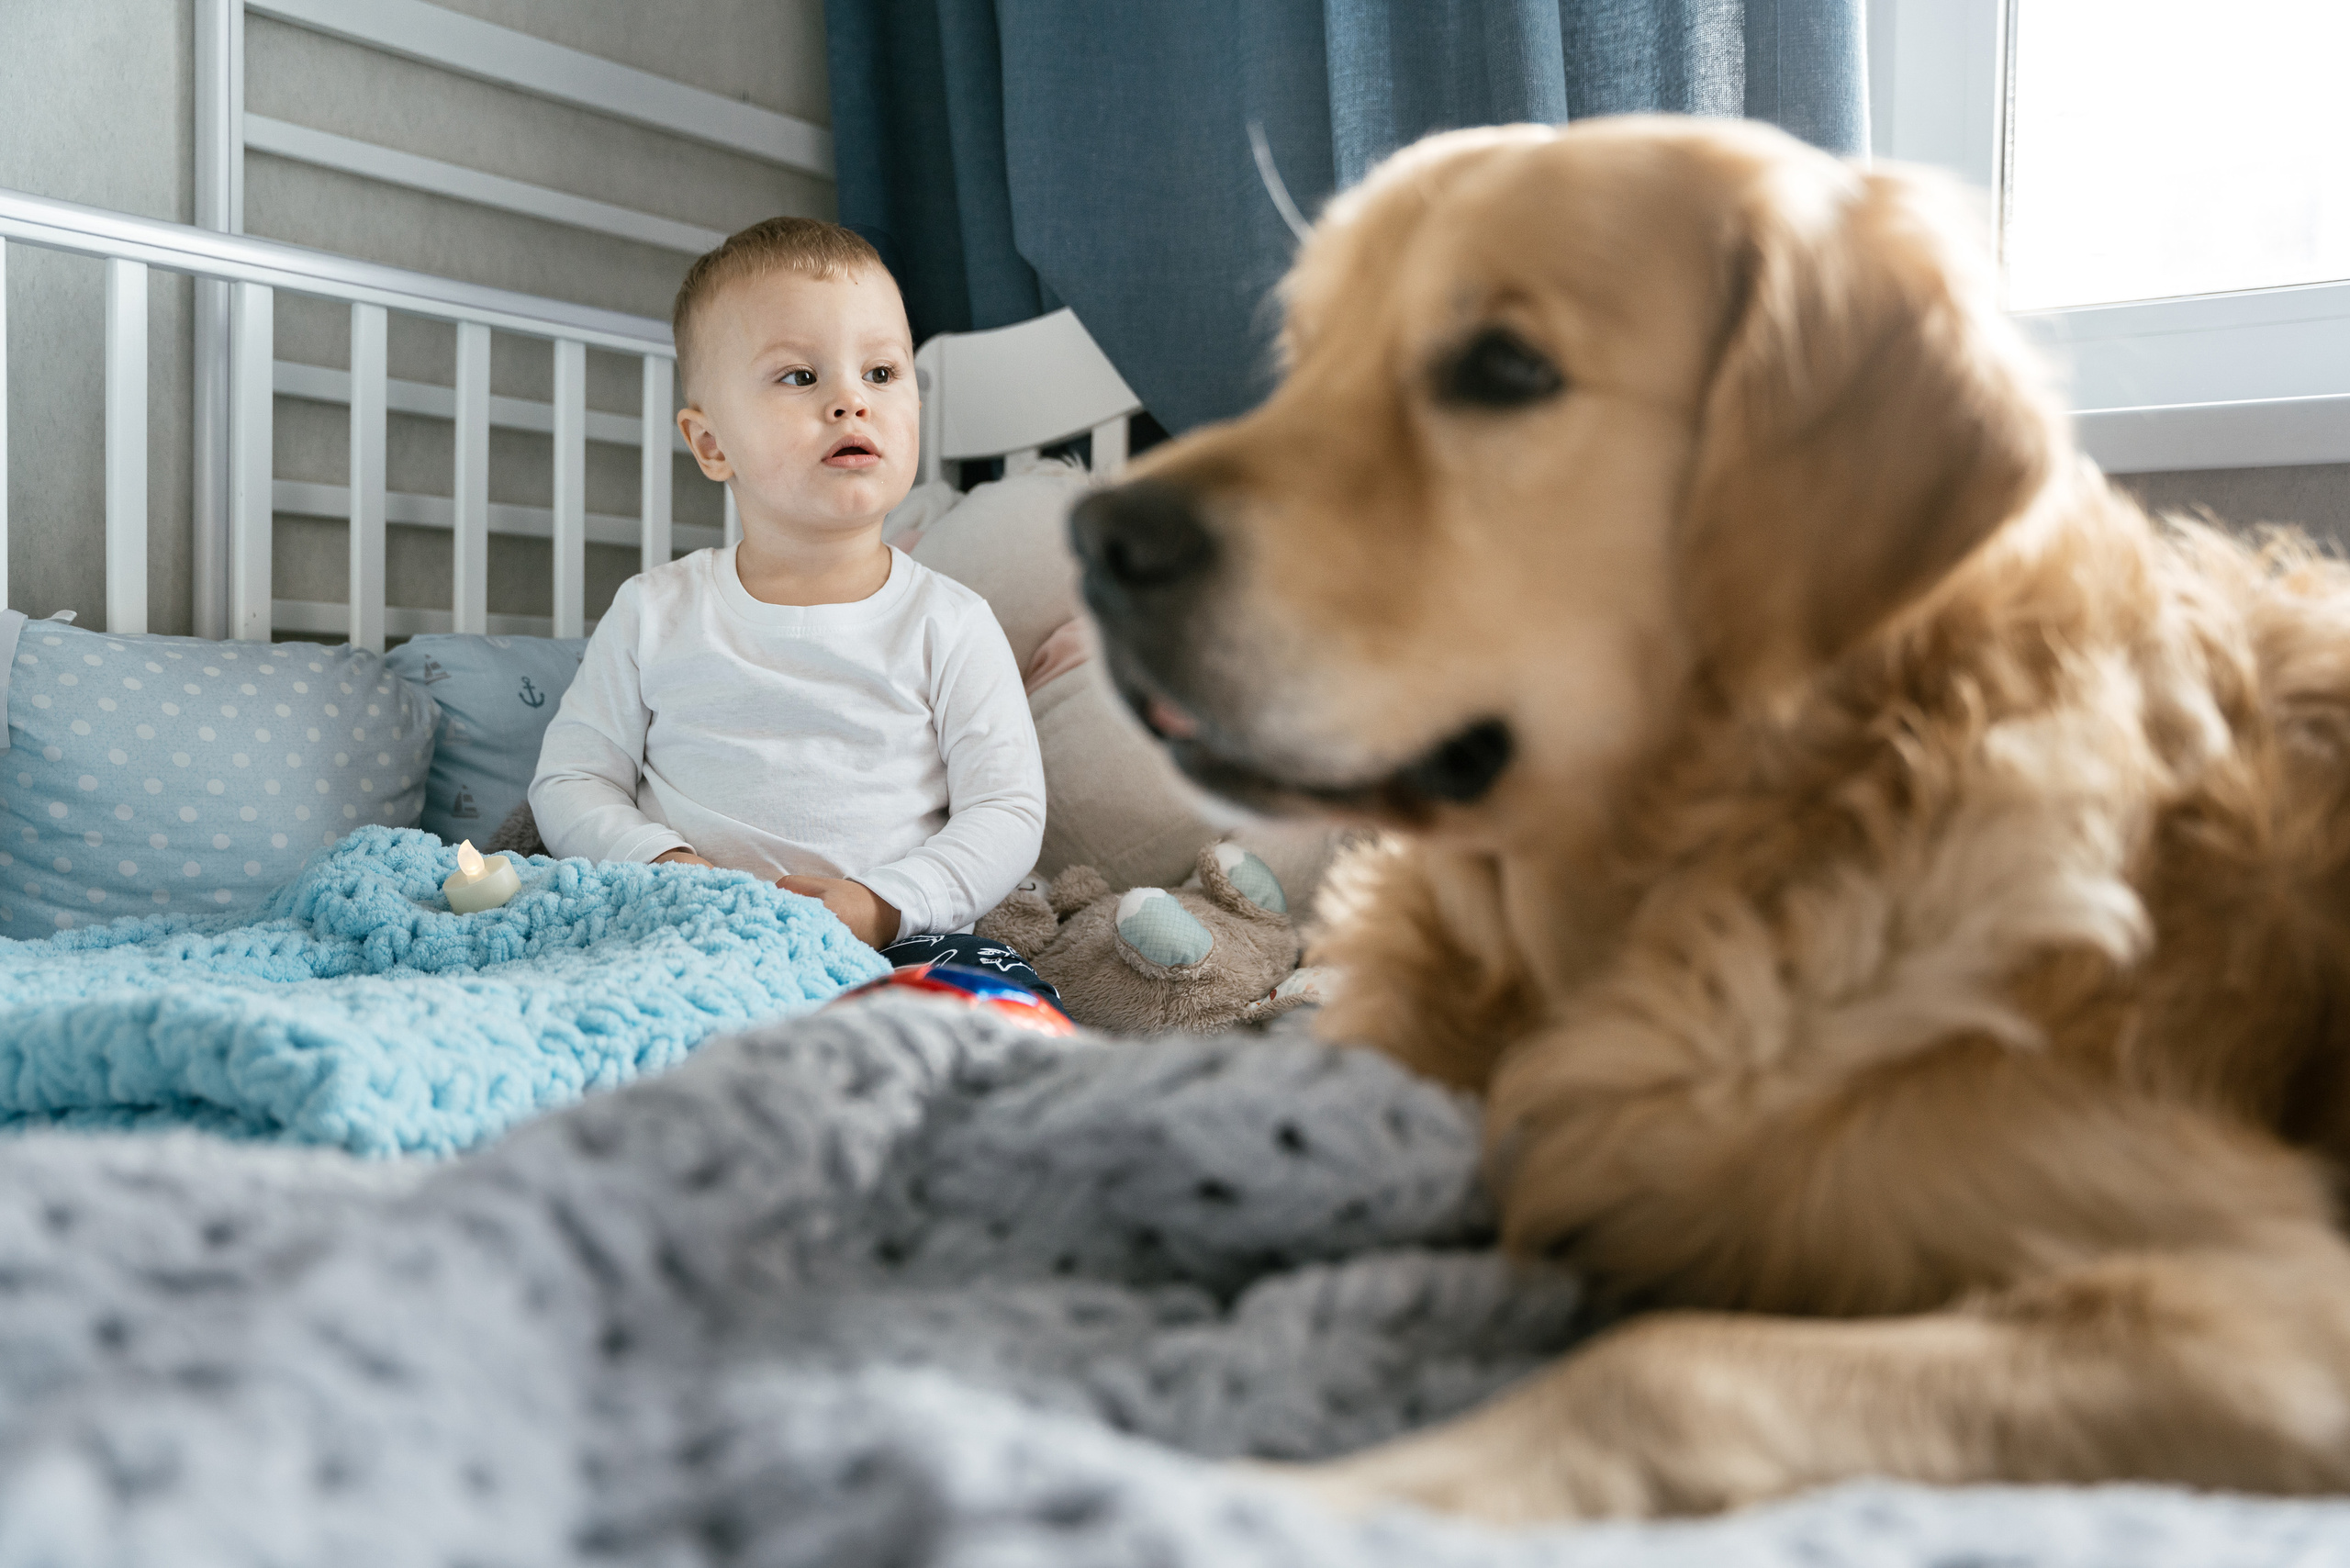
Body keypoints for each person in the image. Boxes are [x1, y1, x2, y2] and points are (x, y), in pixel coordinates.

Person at [529, 216, 1049, 990]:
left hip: (897, 942)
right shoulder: (655, 612)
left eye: (881, 373)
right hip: (688, 933)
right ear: (711, 445)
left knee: (1001, 1014)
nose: (851, 401)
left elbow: (1006, 810)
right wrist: (666, 866)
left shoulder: (951, 622)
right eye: (801, 377)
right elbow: (571, 781)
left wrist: (883, 903)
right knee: (575, 1001)